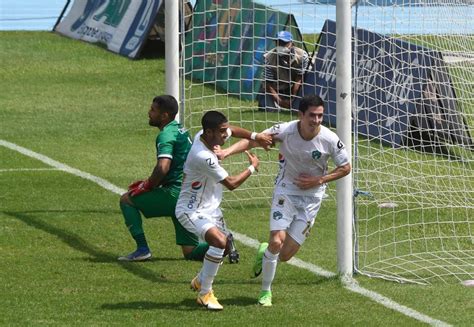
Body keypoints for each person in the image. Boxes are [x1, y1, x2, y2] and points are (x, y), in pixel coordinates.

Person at [218, 95, 351, 307]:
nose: (316, 120)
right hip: (286, 191)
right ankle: (265, 292)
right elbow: (256, 139)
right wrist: (226, 151)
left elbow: (346, 167)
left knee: (286, 254)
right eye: (312, 116)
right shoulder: (285, 130)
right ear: (300, 115)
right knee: (277, 241)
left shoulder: (330, 139)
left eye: (320, 116)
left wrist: (320, 179)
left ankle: (265, 253)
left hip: (312, 198)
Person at [175, 110, 270, 310]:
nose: (225, 135)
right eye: (221, 132)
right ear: (209, 133)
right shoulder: (203, 156)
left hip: (211, 208)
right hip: (190, 210)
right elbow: (231, 183)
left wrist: (255, 137)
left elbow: (233, 130)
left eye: (224, 130)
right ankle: (205, 294)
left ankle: (201, 280)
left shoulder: (209, 134)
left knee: (226, 247)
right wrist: (252, 167)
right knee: (218, 241)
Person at [118, 95, 210, 262]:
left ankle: (142, 249)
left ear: (164, 115)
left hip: (174, 194)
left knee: (126, 200)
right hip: (188, 194)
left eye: (153, 110)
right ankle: (224, 243)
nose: (149, 113)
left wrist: (148, 185)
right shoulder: (181, 130)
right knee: (190, 252)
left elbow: (163, 167)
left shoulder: (166, 135)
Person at [259, 30, 310, 111]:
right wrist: (280, 101)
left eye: (283, 43)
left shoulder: (302, 56)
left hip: (294, 87)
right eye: (278, 43)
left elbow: (299, 78)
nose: (280, 46)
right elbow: (268, 84)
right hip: (275, 88)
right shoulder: (269, 58)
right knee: (269, 109)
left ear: (292, 44)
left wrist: (293, 98)